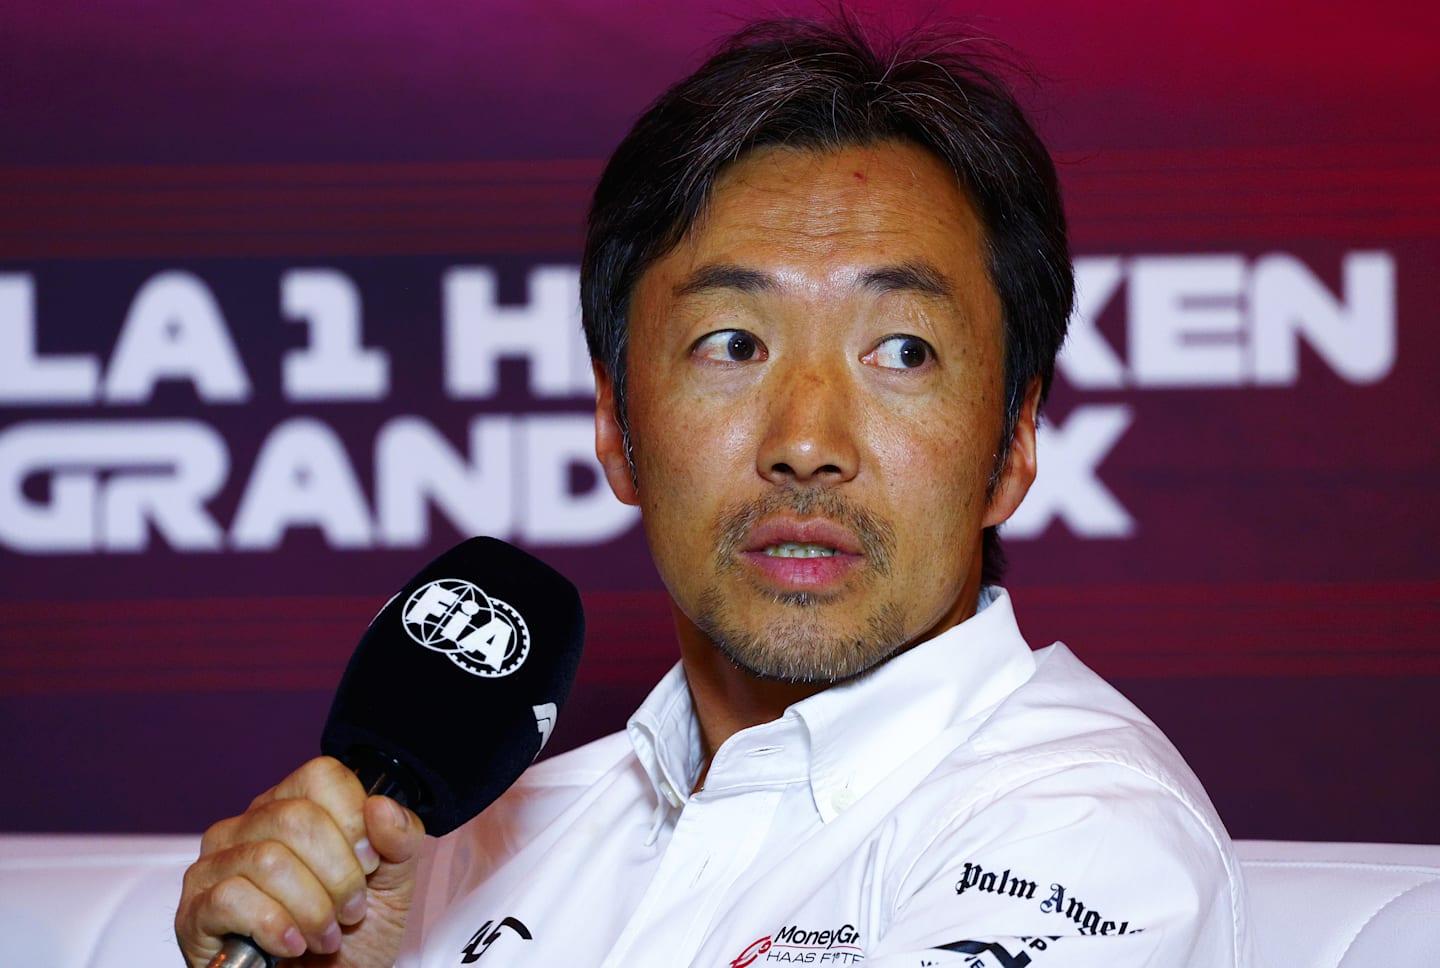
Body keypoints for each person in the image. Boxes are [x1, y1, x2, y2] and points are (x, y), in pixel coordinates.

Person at [175, 18, 1252, 968]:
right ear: (617, 428)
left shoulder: (1086, 831)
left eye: (903, 351)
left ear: (1014, 442)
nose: (807, 442)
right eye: (733, 343)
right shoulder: (460, 851)